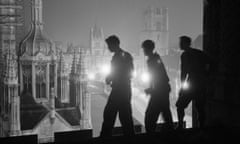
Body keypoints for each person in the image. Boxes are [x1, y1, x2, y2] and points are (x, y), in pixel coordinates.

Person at [100, 35, 135, 137]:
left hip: (119, 90)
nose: (108, 48)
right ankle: (130, 136)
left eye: (109, 45)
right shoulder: (125, 55)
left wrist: (110, 78)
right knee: (125, 116)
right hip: (124, 89)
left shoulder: (118, 57)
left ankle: (105, 136)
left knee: (110, 114)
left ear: (114, 44)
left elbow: (119, 72)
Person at [176, 36, 210, 129]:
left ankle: (180, 125)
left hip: (192, 84)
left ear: (186, 43)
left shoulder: (185, 55)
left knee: (180, 105)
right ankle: (201, 127)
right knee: (200, 108)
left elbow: (184, 72)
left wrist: (182, 87)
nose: (179, 44)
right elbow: (208, 63)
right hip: (199, 84)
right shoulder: (199, 53)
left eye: (181, 43)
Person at [141, 40, 173, 133]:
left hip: (160, 91)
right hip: (162, 90)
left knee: (150, 117)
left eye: (144, 48)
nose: (143, 51)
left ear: (148, 49)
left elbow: (156, 76)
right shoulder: (154, 58)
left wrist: (152, 89)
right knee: (165, 113)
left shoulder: (153, 60)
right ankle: (171, 134)